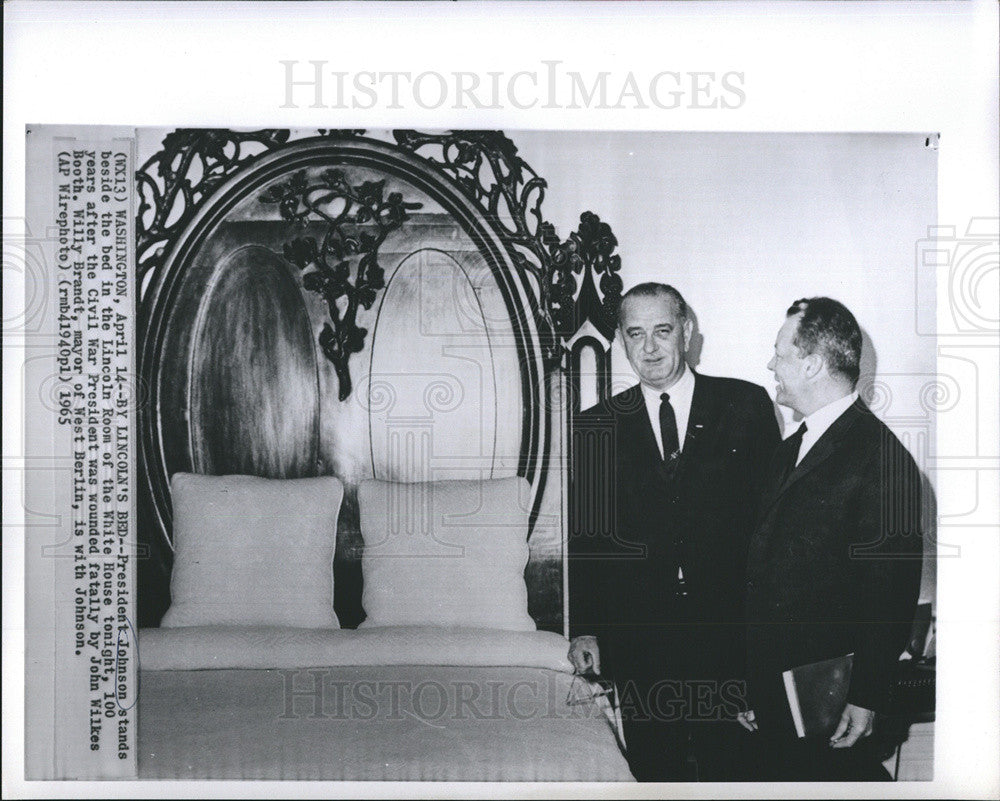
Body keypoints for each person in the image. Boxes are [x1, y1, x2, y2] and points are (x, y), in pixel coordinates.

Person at [567, 283, 780, 780]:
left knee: (735, 769)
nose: (650, 348)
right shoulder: (597, 424)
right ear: (620, 338)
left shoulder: (744, 404)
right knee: (656, 771)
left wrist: (770, 634)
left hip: (728, 631)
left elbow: (772, 526)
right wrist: (587, 626)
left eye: (662, 331)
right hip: (641, 636)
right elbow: (589, 535)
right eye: (636, 334)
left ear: (686, 332)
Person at [739, 297, 923, 781]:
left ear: (814, 363)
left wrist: (867, 697)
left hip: (828, 703)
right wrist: (751, 684)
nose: (770, 364)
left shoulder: (882, 458)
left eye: (780, 352)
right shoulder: (789, 449)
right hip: (776, 696)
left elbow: (890, 596)